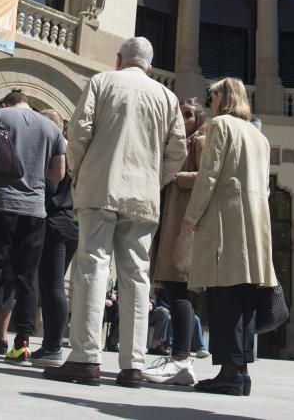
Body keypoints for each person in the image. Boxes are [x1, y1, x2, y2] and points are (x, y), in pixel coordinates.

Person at [43, 37, 187, 389]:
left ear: (120, 58)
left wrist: (81, 172)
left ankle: (85, 359)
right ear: (149, 66)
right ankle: (132, 366)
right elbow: (178, 150)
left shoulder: (102, 82)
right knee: (137, 277)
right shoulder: (167, 97)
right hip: (143, 196)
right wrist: (156, 179)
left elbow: (78, 133)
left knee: (92, 267)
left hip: (100, 188)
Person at [182, 77, 277, 397]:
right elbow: (265, 187)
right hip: (254, 223)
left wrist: (191, 216)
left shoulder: (220, 126)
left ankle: (229, 373)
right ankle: (239, 372)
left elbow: (209, 175)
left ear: (225, 97)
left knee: (224, 296)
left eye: (214, 94)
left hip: (226, 219)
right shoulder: (259, 136)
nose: (211, 99)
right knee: (245, 297)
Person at [0, 90, 66, 365]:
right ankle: (23, 344)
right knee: (27, 276)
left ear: (7, 102)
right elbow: (59, 173)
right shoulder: (51, 127)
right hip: (34, 209)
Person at [143, 97, 207, 386]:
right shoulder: (176, 143)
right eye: (180, 113)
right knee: (173, 290)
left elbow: (207, 178)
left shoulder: (200, 142)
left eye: (189, 115)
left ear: (199, 120)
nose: (183, 118)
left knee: (180, 291)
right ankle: (179, 357)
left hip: (184, 229)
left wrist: (176, 177)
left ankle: (182, 359)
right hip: (168, 224)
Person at [31, 109, 78, 365]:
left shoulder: (55, 152)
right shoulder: (74, 152)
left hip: (56, 222)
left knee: (52, 286)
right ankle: (51, 344)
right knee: (52, 285)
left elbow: (49, 188)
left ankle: (53, 345)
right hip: (72, 224)